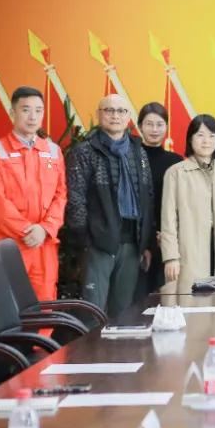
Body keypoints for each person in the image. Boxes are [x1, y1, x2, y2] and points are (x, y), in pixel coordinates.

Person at [65, 94, 155, 317]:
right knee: (92, 312)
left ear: (128, 117)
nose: (115, 116)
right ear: (99, 115)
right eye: (109, 110)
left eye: (121, 111)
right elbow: (75, 199)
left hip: (131, 243)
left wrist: (145, 242)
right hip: (99, 244)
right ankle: (89, 344)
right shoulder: (84, 152)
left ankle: (119, 343)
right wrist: (86, 240)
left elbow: (148, 197)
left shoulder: (138, 152)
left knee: (123, 312)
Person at [0, 86, 67, 301]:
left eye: (38, 110)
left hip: (43, 244)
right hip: (8, 243)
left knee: (44, 304)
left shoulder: (53, 151)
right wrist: (26, 231)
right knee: (6, 303)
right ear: (12, 113)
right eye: (26, 110)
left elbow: (60, 195)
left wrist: (45, 229)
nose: (33, 117)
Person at [160, 114, 215, 292]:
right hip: (189, 253)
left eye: (211, 136)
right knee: (191, 302)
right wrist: (171, 257)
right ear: (190, 139)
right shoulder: (176, 173)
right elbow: (168, 218)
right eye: (200, 135)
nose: (206, 141)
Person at [136, 102, 183, 295]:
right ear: (140, 126)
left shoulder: (176, 161)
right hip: (138, 238)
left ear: (166, 127)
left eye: (159, 124)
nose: (154, 129)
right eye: (149, 124)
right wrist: (146, 239)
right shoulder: (131, 158)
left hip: (167, 238)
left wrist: (167, 233)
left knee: (166, 295)